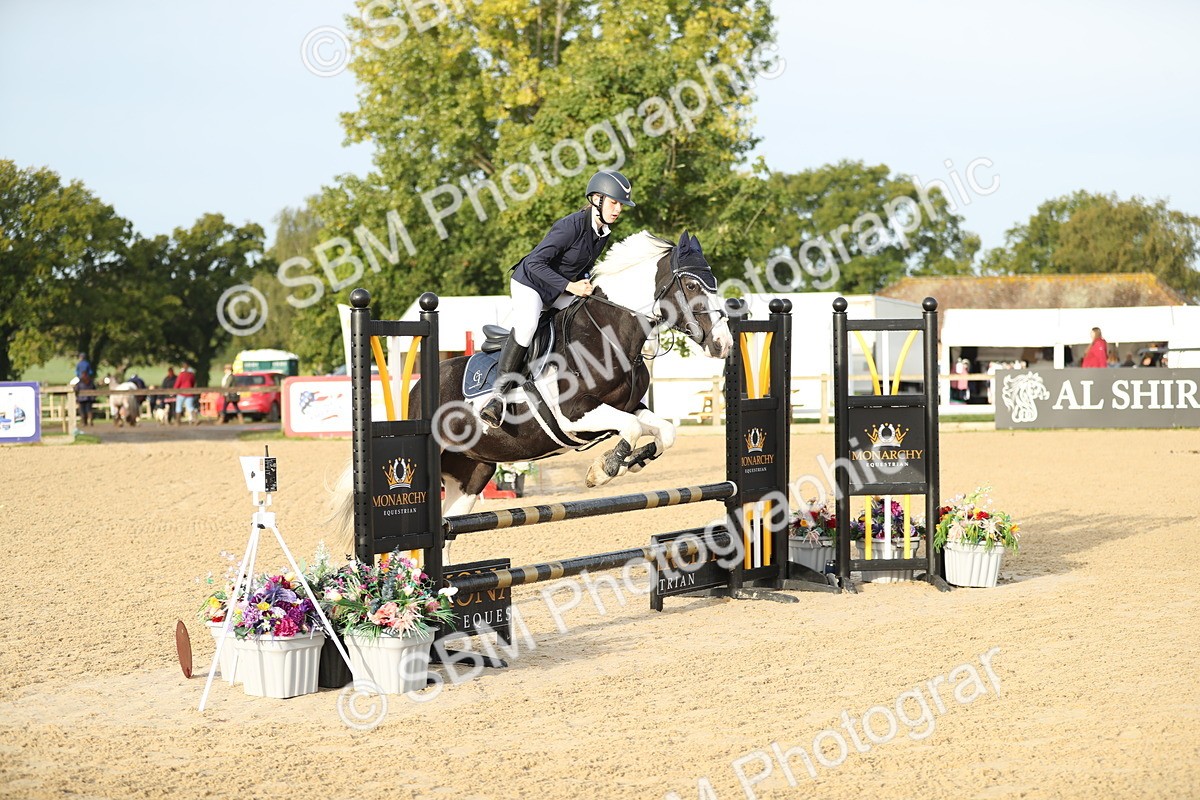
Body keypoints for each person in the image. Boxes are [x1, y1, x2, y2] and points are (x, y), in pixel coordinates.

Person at [480, 169, 635, 428]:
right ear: (597, 199)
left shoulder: (603, 232)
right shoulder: (570, 226)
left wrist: (585, 284)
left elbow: (582, 266)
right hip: (530, 283)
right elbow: (534, 263)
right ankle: (497, 397)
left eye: (620, 204)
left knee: (588, 313)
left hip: (560, 289)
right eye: (613, 202)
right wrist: (570, 286)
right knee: (529, 325)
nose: (618, 209)